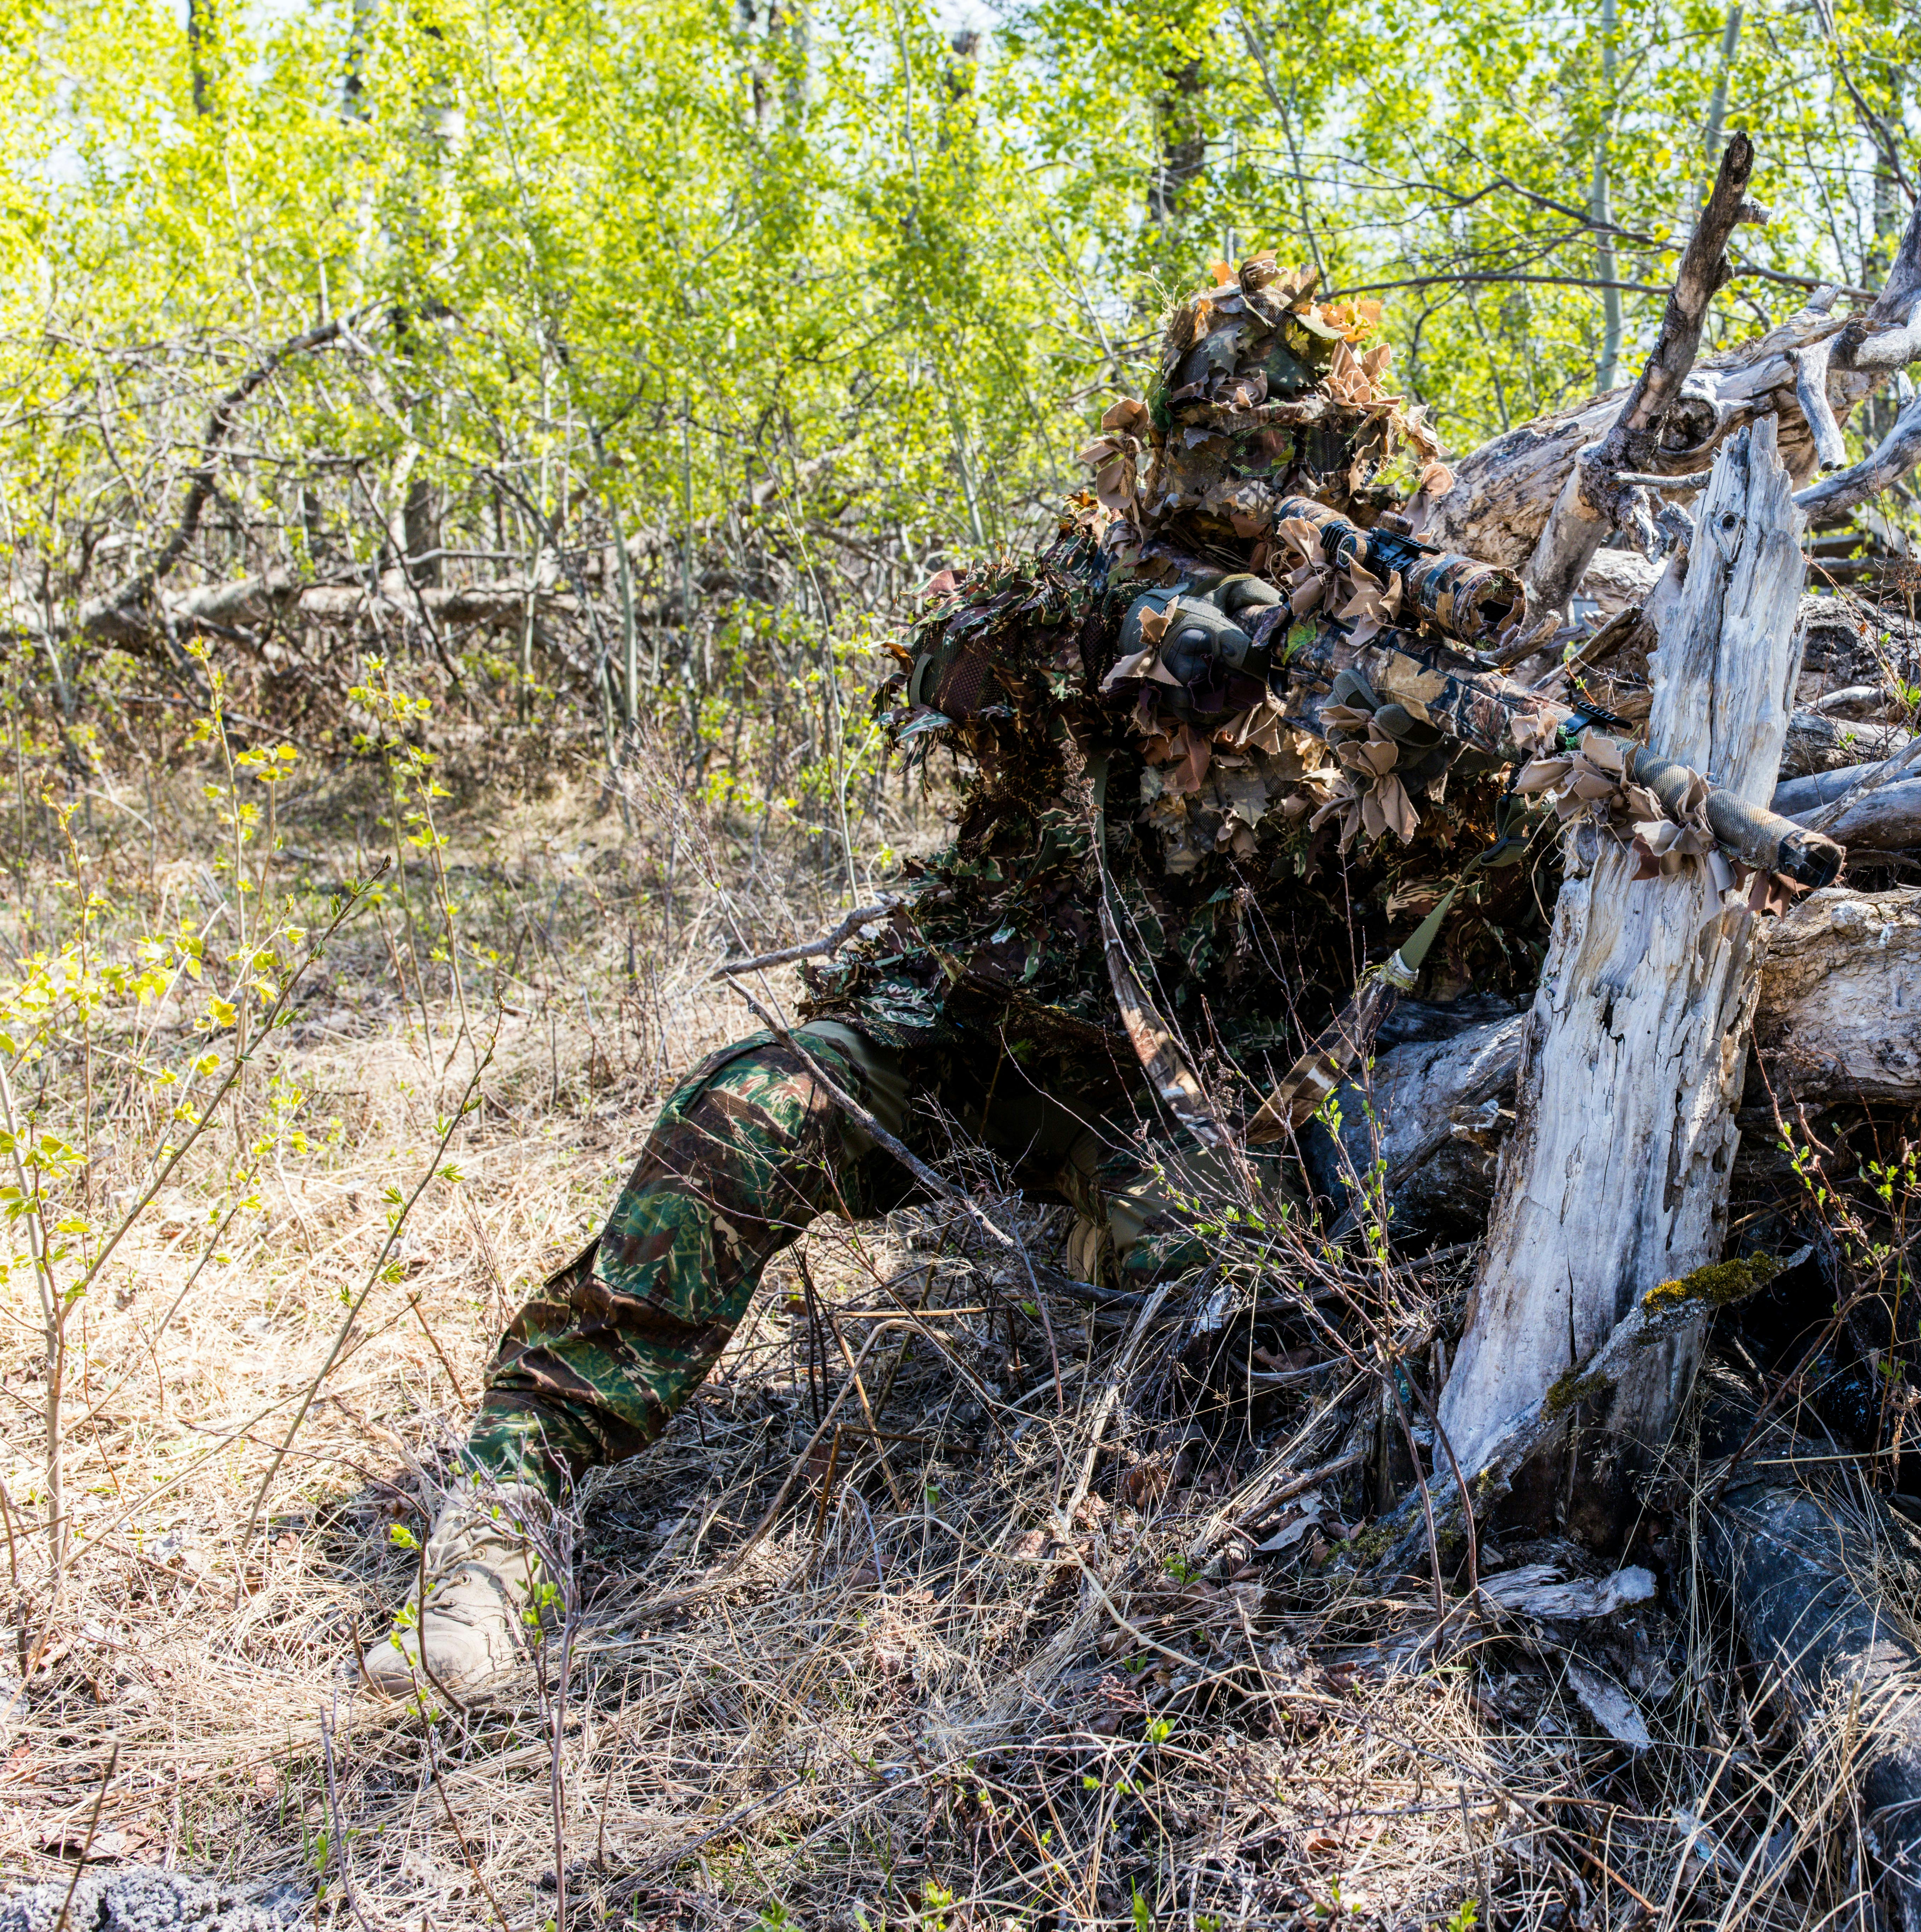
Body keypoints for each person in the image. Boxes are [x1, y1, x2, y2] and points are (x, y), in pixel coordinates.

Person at [361, 257, 1546, 1698]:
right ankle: (510, 1500)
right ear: (1163, 442)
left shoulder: (1364, 644)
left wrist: (1373, 727)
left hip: (1159, 1094)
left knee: (1207, 1299)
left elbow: (1480, 846)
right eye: (1209, 438)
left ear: (1329, 462)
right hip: (959, 1025)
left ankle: (1106, 1625)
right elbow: (940, 668)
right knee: (746, 1116)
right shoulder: (1094, 576)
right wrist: (1102, 638)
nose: (1234, 475)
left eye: (1271, 447)